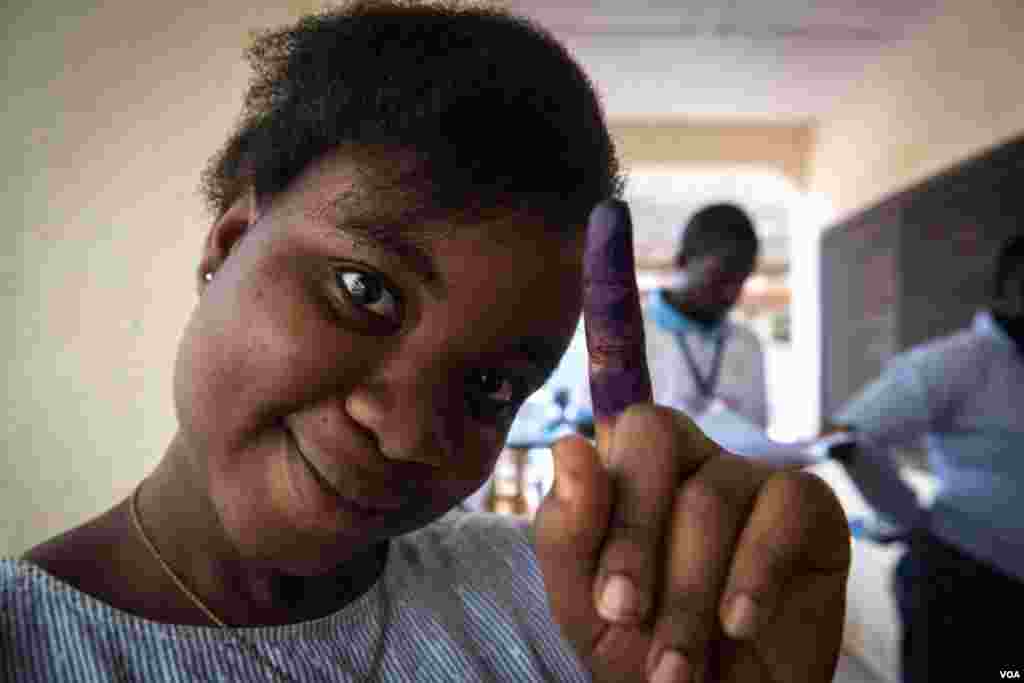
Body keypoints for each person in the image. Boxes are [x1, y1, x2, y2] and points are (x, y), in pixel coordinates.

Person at [0, 2, 850, 681]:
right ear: (227, 245)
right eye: (364, 291)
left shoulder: (572, 610)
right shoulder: (26, 642)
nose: (406, 431)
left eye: (490, 388)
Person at [825, 234, 1024, 682]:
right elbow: (852, 437)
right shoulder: (956, 363)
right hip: (963, 588)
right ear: (1008, 290)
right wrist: (908, 518)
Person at [644, 203, 767, 428]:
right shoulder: (626, 338)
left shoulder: (747, 345)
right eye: (719, 278)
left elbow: (757, 436)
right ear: (682, 262)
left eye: (740, 280)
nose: (731, 294)